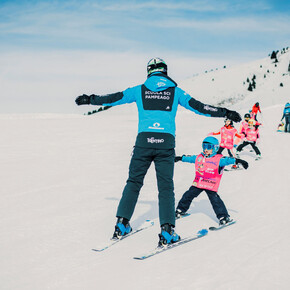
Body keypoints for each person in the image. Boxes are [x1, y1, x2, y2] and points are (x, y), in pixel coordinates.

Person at [75, 57, 242, 247]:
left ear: (149, 72)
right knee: (165, 188)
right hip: (166, 144)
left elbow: (114, 98)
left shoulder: (139, 90)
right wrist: (225, 112)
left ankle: (121, 224)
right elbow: (200, 107)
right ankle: (168, 231)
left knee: (133, 182)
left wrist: (90, 99)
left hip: (143, 143)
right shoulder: (176, 92)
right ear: (165, 71)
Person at [175, 136, 248, 224]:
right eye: (204, 146)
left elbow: (229, 160)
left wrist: (239, 161)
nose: (206, 149)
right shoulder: (199, 157)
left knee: (215, 201)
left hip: (211, 185)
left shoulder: (219, 159)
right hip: (198, 182)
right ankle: (180, 210)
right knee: (188, 195)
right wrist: (179, 158)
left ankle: (224, 217)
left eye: (208, 147)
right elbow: (189, 158)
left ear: (215, 148)